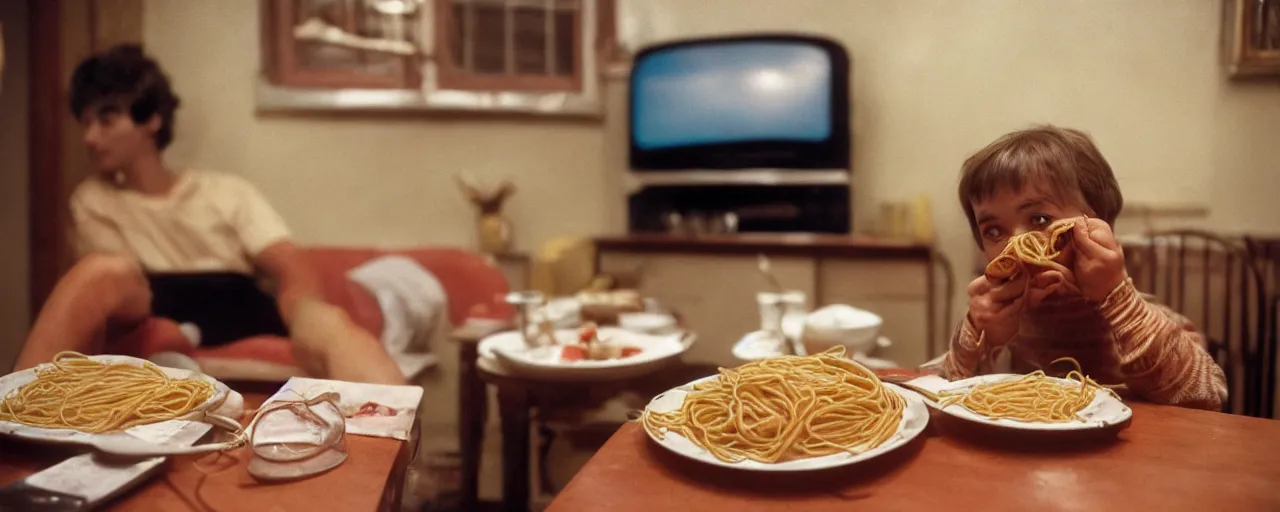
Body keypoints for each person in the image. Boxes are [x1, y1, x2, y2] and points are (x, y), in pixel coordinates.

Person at [12, 44, 405, 386]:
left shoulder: (225, 191)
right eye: (85, 123)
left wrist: (303, 309)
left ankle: (391, 442)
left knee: (328, 321)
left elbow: (288, 262)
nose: (90, 138)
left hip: (239, 302)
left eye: (106, 119)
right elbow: (119, 292)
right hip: (153, 301)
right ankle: (15, 422)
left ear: (151, 119)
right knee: (99, 270)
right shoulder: (92, 200)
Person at [925, 125, 1227, 411]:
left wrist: (1119, 299)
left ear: (1098, 225)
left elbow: (1205, 398)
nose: (1015, 244)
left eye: (1040, 219)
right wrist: (978, 337)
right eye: (993, 231)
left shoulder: (1140, 321)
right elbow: (944, 394)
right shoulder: (999, 330)